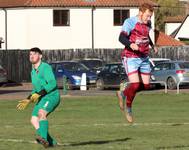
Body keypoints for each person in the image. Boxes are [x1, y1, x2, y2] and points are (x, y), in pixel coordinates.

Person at [116, 3, 158, 123]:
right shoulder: (129, 22)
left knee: (146, 85)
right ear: (141, 13)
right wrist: (131, 44)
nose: (149, 19)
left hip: (144, 57)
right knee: (134, 85)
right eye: (147, 16)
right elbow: (121, 38)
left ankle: (123, 93)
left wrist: (152, 45)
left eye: (150, 16)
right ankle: (128, 108)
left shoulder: (148, 23)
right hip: (131, 57)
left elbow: (146, 35)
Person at [17, 47, 60, 148]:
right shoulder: (33, 71)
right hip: (42, 97)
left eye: (34, 54)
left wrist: (40, 93)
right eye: (30, 54)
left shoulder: (45, 67)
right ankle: (52, 143)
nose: (31, 56)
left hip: (51, 96)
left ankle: (43, 139)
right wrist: (28, 99)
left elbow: (52, 83)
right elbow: (36, 90)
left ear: (40, 56)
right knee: (33, 120)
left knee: (41, 113)